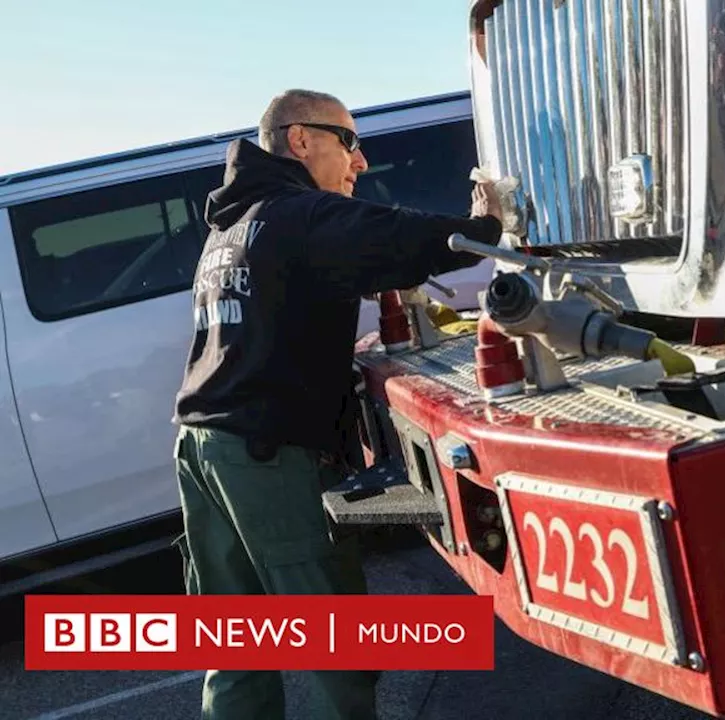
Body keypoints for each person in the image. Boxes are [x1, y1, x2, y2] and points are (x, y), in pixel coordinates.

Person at [170, 88, 503, 720]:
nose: (361, 161)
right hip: (266, 455)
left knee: (235, 645)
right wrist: (483, 227)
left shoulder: (233, 227)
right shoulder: (298, 213)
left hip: (201, 447)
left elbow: (312, 277)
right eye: (348, 141)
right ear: (301, 140)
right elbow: (390, 235)